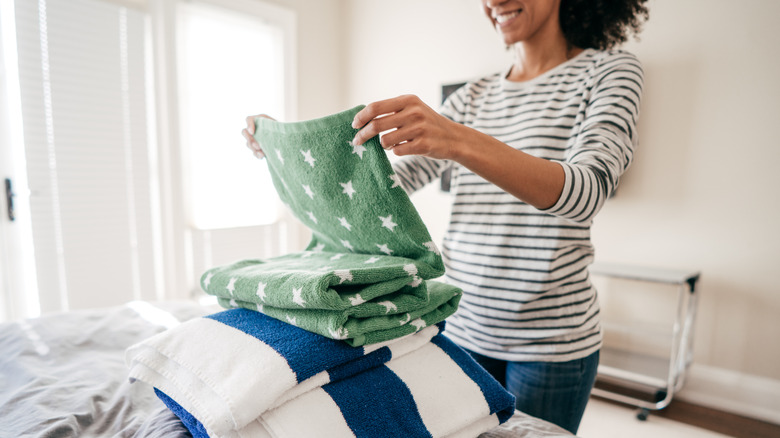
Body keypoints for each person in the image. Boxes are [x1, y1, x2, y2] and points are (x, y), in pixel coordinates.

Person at [243, 0, 648, 433]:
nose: (494, 2)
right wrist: (287, 153)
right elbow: (381, 191)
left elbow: (586, 191)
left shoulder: (611, 72)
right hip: (463, 324)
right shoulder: (473, 96)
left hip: (551, 342)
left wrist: (458, 140)